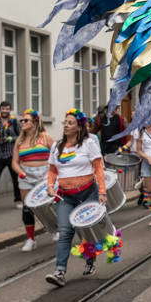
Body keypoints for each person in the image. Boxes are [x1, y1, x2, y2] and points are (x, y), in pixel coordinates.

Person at [45, 109, 108, 287]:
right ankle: (59, 271)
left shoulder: (89, 143)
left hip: (87, 193)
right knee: (65, 232)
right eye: (65, 122)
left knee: (85, 231)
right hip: (66, 196)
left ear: (79, 127)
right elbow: (52, 170)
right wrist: (50, 186)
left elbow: (98, 168)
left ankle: (90, 260)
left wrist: (102, 192)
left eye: (70, 123)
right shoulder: (57, 146)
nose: (66, 125)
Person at [11, 109, 53, 251]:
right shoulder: (19, 140)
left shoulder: (45, 137)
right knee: (27, 208)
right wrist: (20, 173)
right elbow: (14, 162)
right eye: (21, 120)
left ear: (34, 122)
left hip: (44, 175)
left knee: (48, 205)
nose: (22, 122)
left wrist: (53, 173)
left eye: (26, 120)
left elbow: (56, 155)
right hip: (26, 176)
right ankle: (30, 239)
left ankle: (56, 229)